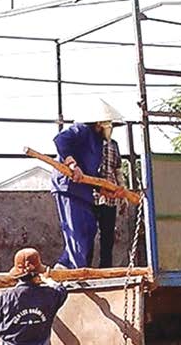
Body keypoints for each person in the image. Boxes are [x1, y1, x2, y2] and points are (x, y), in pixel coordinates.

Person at [52, 98, 125, 269]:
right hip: (69, 187)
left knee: (88, 229)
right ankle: (73, 270)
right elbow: (60, 140)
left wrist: (105, 190)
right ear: (101, 123)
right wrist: (72, 164)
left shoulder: (99, 143)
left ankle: (65, 266)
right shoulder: (82, 129)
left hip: (84, 191)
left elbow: (91, 174)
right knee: (77, 232)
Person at [93, 129, 127, 268]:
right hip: (92, 196)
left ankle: (105, 269)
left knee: (108, 236)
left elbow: (118, 170)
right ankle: (84, 268)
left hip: (111, 198)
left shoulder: (114, 145)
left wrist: (123, 195)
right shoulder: (92, 144)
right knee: (88, 234)